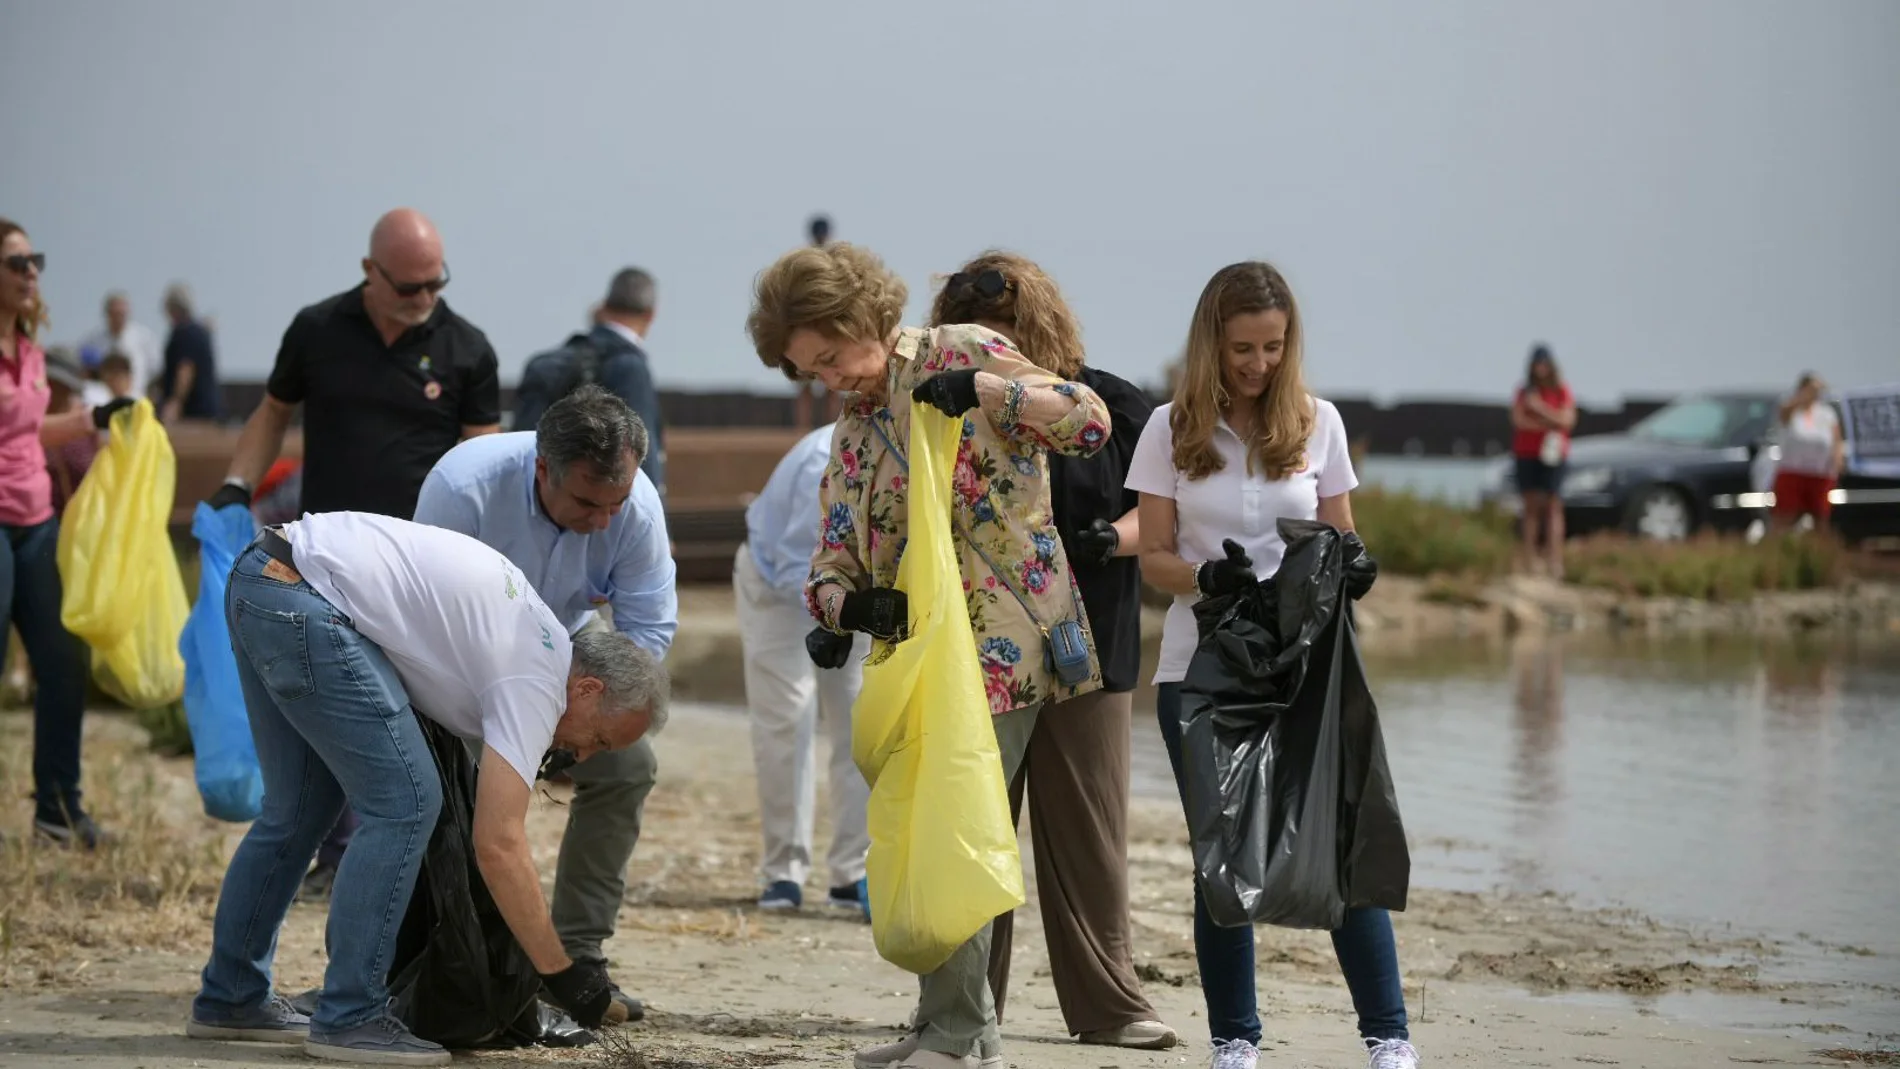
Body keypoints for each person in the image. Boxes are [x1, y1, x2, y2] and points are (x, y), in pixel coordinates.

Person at [747, 241, 1111, 1069]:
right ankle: (959, 1030)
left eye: (833, 355)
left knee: (953, 830)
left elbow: (1090, 421)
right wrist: (848, 606)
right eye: (812, 370)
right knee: (929, 835)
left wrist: (989, 391)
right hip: (915, 661)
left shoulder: (960, 351)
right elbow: (829, 564)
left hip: (1003, 646)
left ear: (866, 319)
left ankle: (955, 1037)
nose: (830, 377)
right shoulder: (850, 433)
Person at [185, 511, 668, 1066]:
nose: (582, 757)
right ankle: (350, 1016)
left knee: (298, 810)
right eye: (599, 740)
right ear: (587, 688)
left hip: (268, 575)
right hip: (305, 598)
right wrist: (559, 972)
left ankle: (232, 996)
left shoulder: (540, 643)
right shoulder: (537, 679)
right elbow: (499, 843)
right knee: (406, 804)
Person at [1124, 261, 1417, 1069]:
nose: (1258, 364)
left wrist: (1357, 565)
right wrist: (1205, 576)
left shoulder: (1319, 422)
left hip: (1307, 668)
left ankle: (1389, 1037)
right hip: (1201, 669)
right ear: (1211, 342)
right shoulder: (1166, 428)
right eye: (1243, 348)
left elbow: (1339, 534)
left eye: (1272, 348)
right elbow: (1152, 557)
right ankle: (1235, 1042)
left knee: (1340, 840)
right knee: (1220, 863)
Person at [206, 207, 503, 897]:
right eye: (409, 287)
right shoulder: (317, 330)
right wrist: (234, 483)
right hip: (325, 560)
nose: (425, 299)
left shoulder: (468, 347)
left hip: (421, 566)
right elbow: (274, 411)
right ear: (370, 272)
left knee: (416, 706)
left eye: (436, 283)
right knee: (330, 701)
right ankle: (340, 851)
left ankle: (425, 852)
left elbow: (481, 455)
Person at [925, 251, 1176, 1051]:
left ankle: (1112, 1004)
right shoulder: (945, 403)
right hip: (979, 653)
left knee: (1090, 837)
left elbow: (1158, 515)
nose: (990, 348)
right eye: (973, 336)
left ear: (1036, 326)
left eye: (1002, 332)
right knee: (974, 831)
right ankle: (963, 1010)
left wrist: (1115, 538)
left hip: (1087, 644)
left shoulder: (1114, 403)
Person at [412, 384, 676, 1022]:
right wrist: (521, 729)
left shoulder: (634, 505)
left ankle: (578, 957)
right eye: (587, 501)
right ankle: (473, 960)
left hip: (570, 652)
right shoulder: (463, 487)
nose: (605, 520)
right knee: (466, 796)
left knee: (629, 766)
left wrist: (583, 725)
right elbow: (425, 622)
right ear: (542, 469)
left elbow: (647, 638)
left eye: (616, 502)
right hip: (466, 663)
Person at [0, 219, 135, 847]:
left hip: (36, 523)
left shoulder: (28, 350)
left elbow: (28, 430)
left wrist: (94, 418)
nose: (32, 274)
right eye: (17, 263)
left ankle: (57, 811)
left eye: (36, 262)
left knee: (61, 663)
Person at [736, 420, 871, 913]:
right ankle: (783, 870)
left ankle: (853, 873)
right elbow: (799, 558)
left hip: (852, 593)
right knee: (787, 719)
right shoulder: (826, 457)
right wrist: (830, 619)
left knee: (861, 721)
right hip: (777, 583)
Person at [514, 268, 666, 494]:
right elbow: (642, 464)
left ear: (605, 306)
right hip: (597, 512)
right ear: (650, 315)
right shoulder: (630, 367)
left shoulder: (547, 363)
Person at [1509, 345, 1576, 577]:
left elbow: (1567, 420)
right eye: (1538, 364)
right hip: (1527, 454)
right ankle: (1529, 560)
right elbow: (1519, 421)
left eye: (1545, 364)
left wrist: (1540, 410)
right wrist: (1550, 422)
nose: (1541, 368)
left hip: (1554, 455)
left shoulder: (1561, 390)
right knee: (1530, 507)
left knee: (1554, 506)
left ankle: (1555, 561)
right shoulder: (1524, 391)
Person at [1771, 372, 1844, 534]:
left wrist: (1838, 461)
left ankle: (1818, 553)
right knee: (1785, 517)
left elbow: (1836, 439)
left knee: (1820, 518)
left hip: (1820, 473)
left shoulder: (1826, 413)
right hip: (1793, 472)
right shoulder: (1791, 409)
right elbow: (1783, 413)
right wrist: (1801, 398)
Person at [79, 290, 162, 399]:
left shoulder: (144, 338)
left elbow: (156, 371)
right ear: (107, 314)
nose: (118, 318)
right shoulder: (93, 341)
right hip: (103, 400)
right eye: (115, 313)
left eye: (122, 314)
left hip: (136, 398)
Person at [159, 282, 222, 422]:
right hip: (207, 409)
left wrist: (175, 403)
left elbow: (186, 369)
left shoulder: (184, 333)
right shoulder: (200, 332)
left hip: (193, 412)